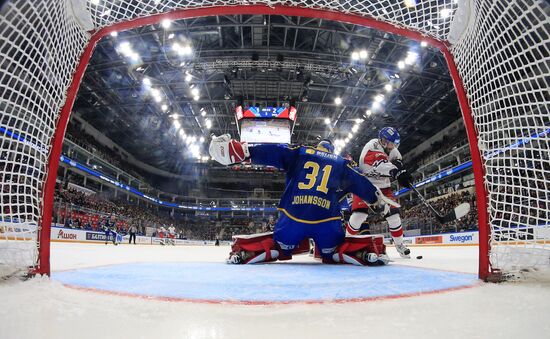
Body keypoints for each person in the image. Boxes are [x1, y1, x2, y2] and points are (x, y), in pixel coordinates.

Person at [209, 135, 398, 266]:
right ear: (332, 150)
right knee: (333, 250)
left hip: (293, 218)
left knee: (279, 246)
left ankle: (247, 252)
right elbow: (359, 183)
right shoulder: (340, 163)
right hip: (326, 222)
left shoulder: (301, 152)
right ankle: (366, 253)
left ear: (318, 147)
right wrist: (376, 198)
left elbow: (276, 152)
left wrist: (245, 152)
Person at [346, 127, 413, 258]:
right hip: (366, 184)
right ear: (382, 140)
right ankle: (347, 241)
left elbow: (398, 164)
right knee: (359, 216)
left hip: (384, 186)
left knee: (394, 216)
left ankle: (400, 245)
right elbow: (380, 164)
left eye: (394, 143)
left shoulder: (394, 151)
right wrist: (395, 171)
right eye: (388, 142)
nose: (391, 146)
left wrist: (403, 173)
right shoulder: (371, 146)